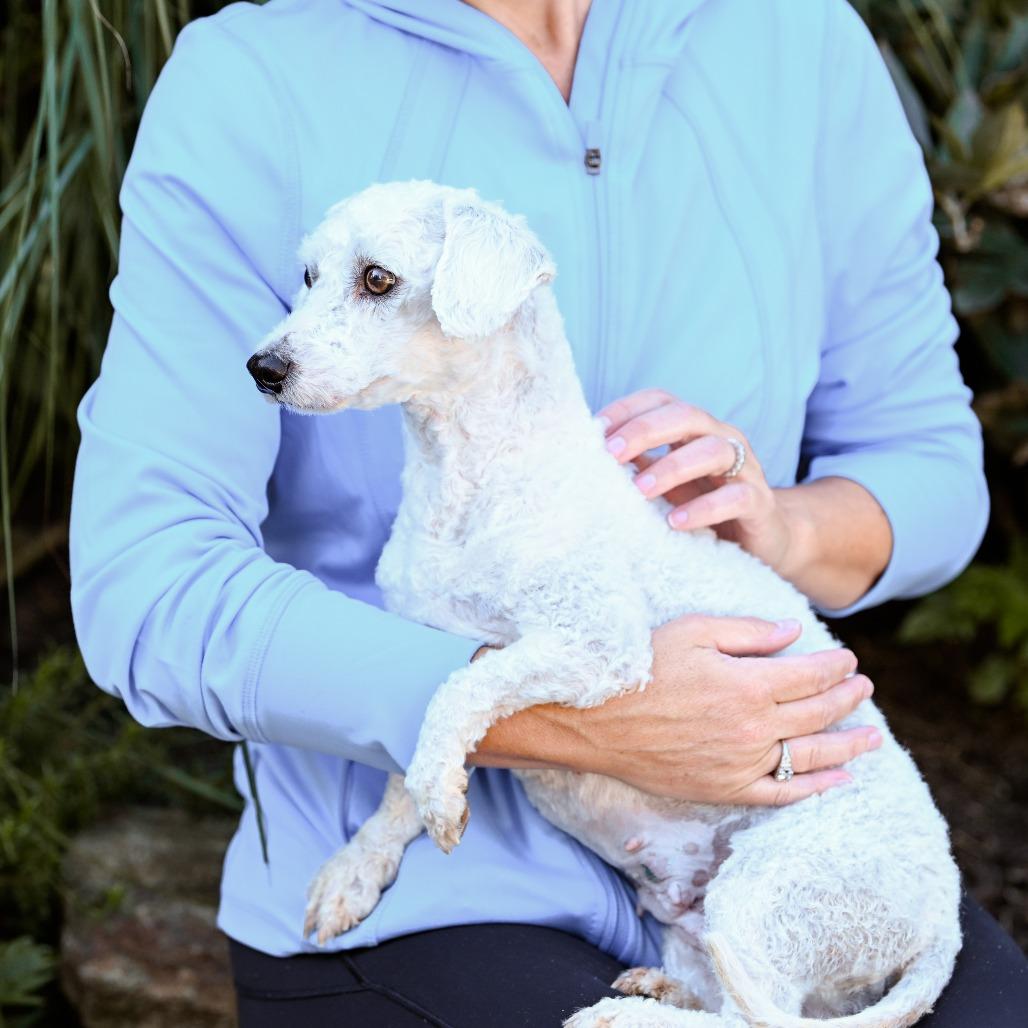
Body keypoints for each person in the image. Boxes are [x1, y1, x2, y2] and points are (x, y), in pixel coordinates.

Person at [69, 0, 1028, 1024]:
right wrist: (565, 717)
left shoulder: (798, 36)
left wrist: (780, 525)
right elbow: (147, 587)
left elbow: (926, 466)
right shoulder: (251, 76)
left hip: (762, 837)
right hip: (418, 901)